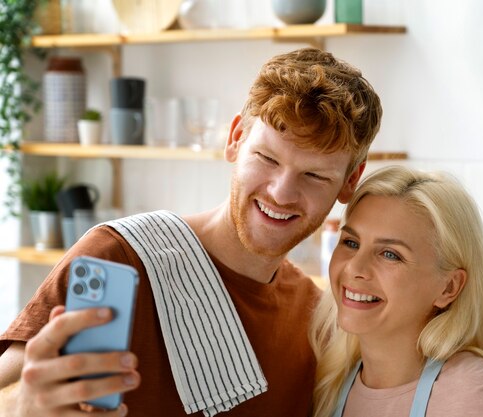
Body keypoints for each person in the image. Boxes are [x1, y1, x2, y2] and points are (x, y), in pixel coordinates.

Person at [0, 47, 382, 416]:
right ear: (235, 139)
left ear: (350, 182)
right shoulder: (118, 256)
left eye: (314, 175)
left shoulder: (315, 319)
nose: (281, 193)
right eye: (267, 158)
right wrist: (21, 407)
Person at [309, 165, 483, 417]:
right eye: (351, 242)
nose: (355, 267)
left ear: (449, 287)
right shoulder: (332, 382)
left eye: (390, 254)